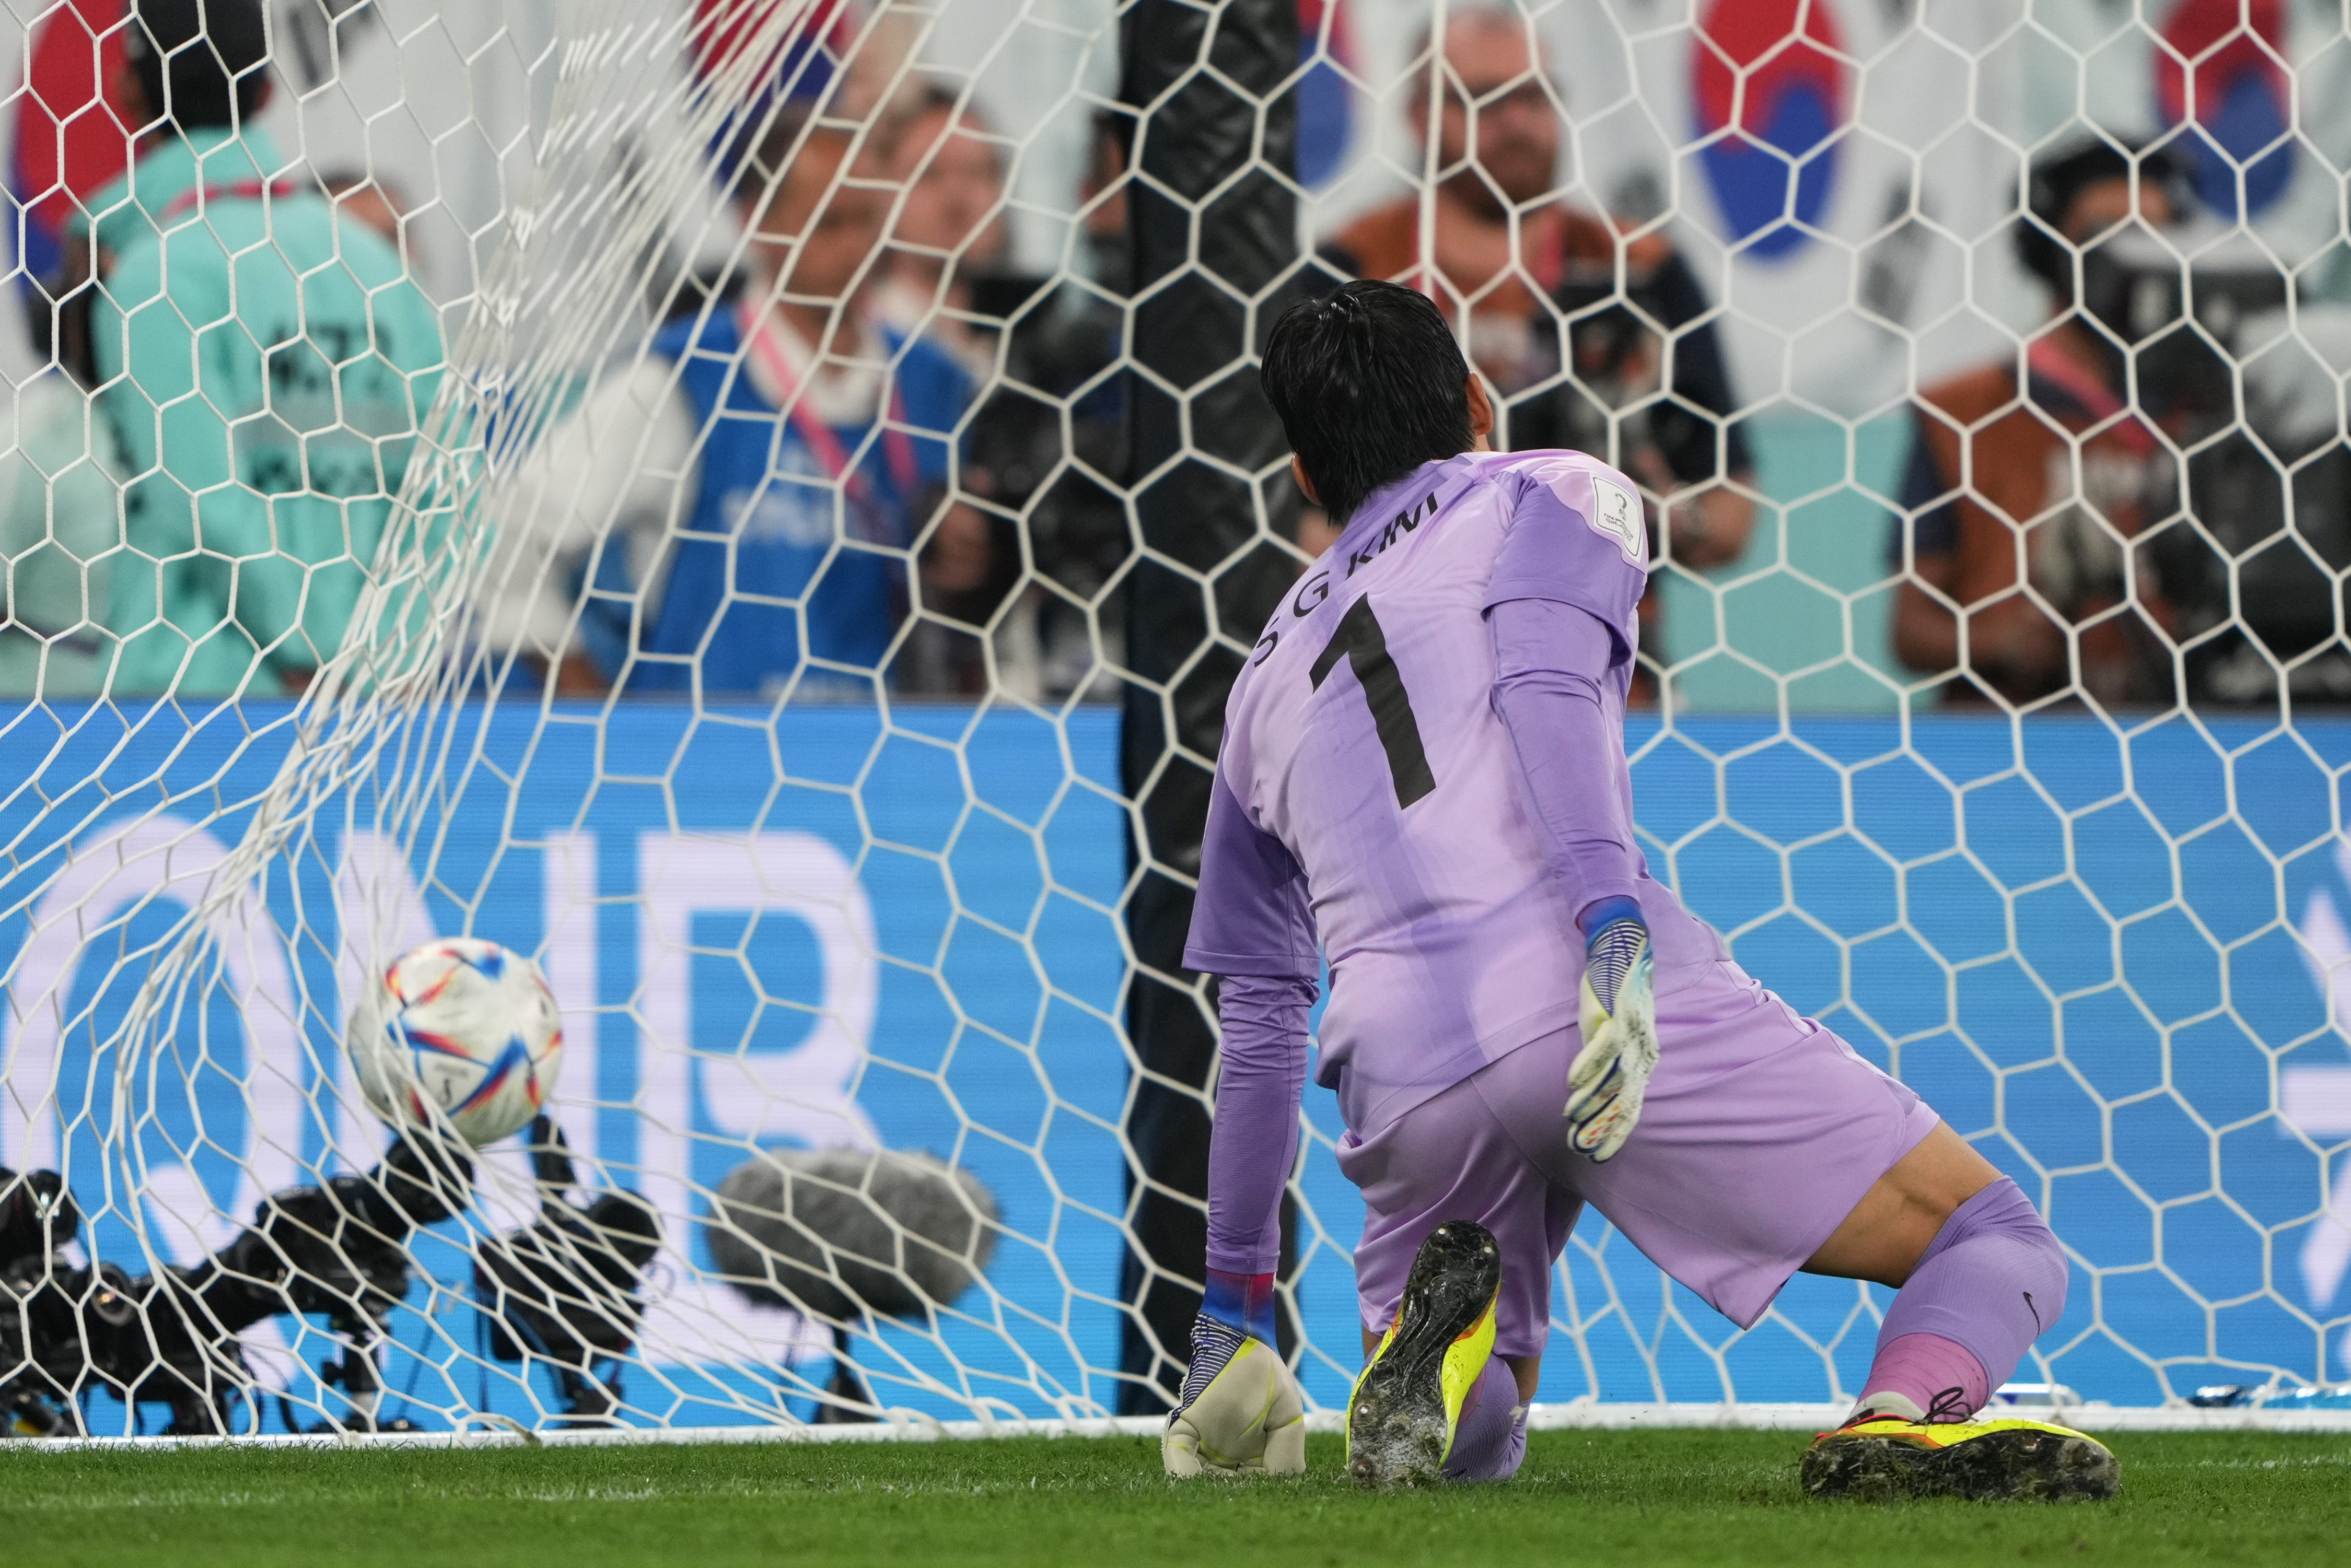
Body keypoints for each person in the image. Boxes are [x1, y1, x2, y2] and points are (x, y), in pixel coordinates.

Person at [1160, 280, 2117, 1501]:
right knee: (1991, 1231)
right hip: (1569, 982)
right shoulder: (1550, 488)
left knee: (1474, 1442)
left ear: (1301, 475)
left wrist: (1231, 1310)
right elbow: (1542, 686)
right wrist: (1608, 922)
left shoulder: (1254, 686)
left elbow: (1253, 1023)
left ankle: (1445, 1360)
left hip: (1394, 1067)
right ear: (1473, 399)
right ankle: (1893, 1419)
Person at [478, 103, 990, 699]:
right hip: (708, 773)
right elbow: (508, 547)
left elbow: (968, 607)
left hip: (887, 762)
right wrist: (598, 714)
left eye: (869, 221)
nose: (856, 248)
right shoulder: (682, 379)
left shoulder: (932, 381)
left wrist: (974, 572)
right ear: (759, 222)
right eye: (828, 223)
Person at [79, 0, 443, 699]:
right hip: (374, 704)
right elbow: (452, 489)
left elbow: (201, 501)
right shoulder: (379, 269)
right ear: (268, 92)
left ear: (125, 92)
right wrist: (382, 649)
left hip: (193, 699)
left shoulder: (156, 276)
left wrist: (305, 647)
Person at [1323, 6, 1752, 575]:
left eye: (1535, 97)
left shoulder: (1637, 272)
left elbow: (1734, 508)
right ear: (1419, 115)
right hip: (1399, 647)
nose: (1518, 122)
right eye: (1486, 98)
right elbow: (1291, 505)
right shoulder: (1354, 275)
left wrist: (1665, 515)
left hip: (1606, 648)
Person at [1891, 141, 2185, 709]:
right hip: (2010, 739)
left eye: (2154, 237)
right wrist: (1998, 641)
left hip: (2177, 737)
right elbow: (1909, 630)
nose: (2131, 260)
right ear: (2048, 248)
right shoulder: (1963, 413)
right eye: (2104, 236)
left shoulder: (2205, 413)